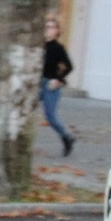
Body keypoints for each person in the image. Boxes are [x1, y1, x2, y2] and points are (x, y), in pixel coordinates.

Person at [40, 17, 76, 158]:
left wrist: (58, 79)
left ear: (57, 31)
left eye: (52, 27)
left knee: (51, 116)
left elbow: (69, 66)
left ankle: (67, 136)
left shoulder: (58, 48)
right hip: (36, 84)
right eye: (46, 27)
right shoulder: (39, 45)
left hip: (50, 85)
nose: (48, 30)